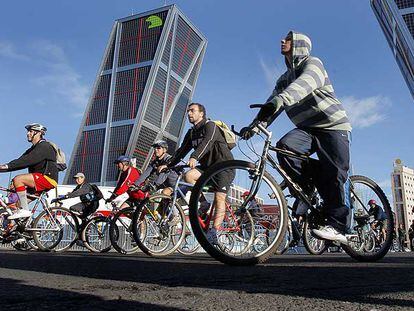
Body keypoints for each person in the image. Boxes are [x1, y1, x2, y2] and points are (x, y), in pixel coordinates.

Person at [240, 31, 352, 244]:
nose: (282, 41)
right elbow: (271, 104)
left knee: (336, 171)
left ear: (300, 45)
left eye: (288, 39)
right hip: (307, 129)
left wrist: (281, 99)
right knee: (285, 146)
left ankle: (338, 225)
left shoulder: (313, 64)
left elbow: (304, 85)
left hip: (333, 126)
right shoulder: (284, 79)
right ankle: (310, 184)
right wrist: (254, 126)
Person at [158, 103, 235, 244]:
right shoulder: (192, 133)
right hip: (207, 168)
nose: (189, 113)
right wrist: (168, 165)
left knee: (219, 198)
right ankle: (204, 203)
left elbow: (208, 142)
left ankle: (215, 231)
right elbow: (182, 150)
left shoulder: (210, 125)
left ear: (201, 113)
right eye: (188, 111)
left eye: (192, 111)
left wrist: (195, 156)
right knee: (189, 176)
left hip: (223, 166)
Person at [0, 123, 58, 219]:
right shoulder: (32, 149)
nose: (28, 133)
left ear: (39, 133)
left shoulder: (44, 146)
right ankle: (19, 230)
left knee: (18, 179)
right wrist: (3, 168)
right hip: (38, 180)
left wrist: (6, 166)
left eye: (31, 131)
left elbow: (26, 161)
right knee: (17, 205)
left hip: (47, 178)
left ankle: (25, 211)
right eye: (28, 131)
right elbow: (18, 162)